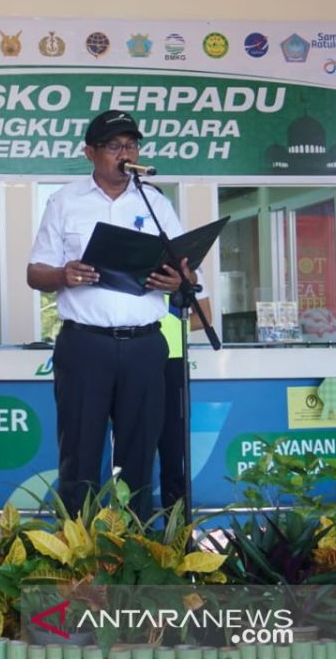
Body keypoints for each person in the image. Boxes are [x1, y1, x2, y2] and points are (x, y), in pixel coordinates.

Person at [26, 110, 195, 518]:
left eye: (132, 145)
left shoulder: (155, 203)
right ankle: (77, 552)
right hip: (85, 345)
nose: (126, 153)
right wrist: (65, 275)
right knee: (80, 455)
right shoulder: (65, 201)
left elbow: (186, 269)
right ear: (90, 153)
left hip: (144, 346)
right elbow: (35, 273)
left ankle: (133, 549)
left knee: (138, 456)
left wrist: (178, 280)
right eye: (116, 146)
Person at [155, 293, 211, 511]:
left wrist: (174, 325)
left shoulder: (188, 265)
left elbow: (204, 316)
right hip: (134, 356)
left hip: (173, 359)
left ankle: (177, 528)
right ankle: (128, 529)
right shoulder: (131, 259)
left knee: (173, 450)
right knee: (132, 450)